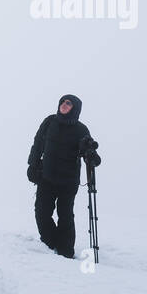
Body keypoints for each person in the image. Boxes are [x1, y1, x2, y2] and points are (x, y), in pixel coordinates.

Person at [27, 94, 101, 258]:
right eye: (63, 101)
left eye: (69, 103)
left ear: (75, 108)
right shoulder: (49, 122)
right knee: (41, 212)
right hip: (46, 177)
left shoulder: (81, 129)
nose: (64, 105)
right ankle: (51, 243)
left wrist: (91, 155)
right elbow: (38, 143)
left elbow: (87, 150)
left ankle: (66, 251)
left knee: (65, 215)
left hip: (68, 181)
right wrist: (32, 165)